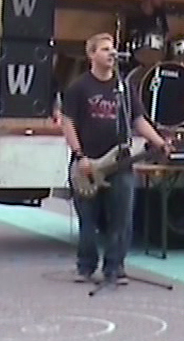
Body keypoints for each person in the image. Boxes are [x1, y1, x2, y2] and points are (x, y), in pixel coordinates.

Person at [61, 32, 172, 284]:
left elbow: (138, 120)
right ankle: (85, 266)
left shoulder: (124, 88)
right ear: (91, 55)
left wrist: (159, 142)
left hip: (120, 163)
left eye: (113, 49)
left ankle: (114, 267)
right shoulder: (79, 87)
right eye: (104, 49)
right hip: (87, 163)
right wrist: (80, 155)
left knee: (121, 219)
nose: (111, 53)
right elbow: (68, 123)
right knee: (88, 221)